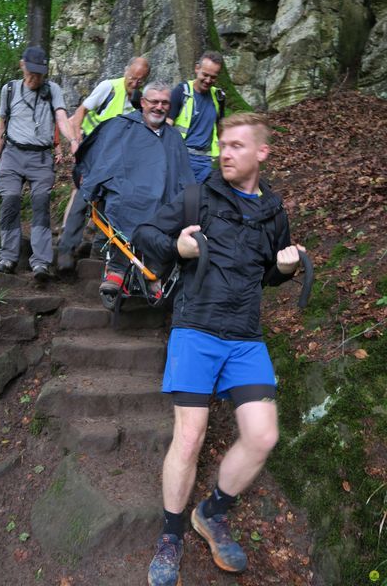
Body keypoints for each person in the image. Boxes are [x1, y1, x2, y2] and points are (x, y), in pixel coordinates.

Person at [132, 113, 304, 585]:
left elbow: (268, 272)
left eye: (235, 146)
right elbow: (143, 234)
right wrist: (177, 248)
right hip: (196, 330)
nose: (223, 153)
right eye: (221, 145)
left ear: (261, 153)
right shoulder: (198, 196)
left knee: (263, 436)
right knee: (189, 437)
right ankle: (170, 534)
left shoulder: (274, 211)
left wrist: (286, 269)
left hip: (246, 337)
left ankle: (211, 512)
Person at [75, 80, 195, 300]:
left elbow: (184, 174)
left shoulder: (174, 137)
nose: (159, 107)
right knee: (126, 206)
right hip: (128, 193)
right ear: (143, 102)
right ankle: (117, 270)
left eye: (165, 103)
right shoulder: (121, 126)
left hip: (163, 198)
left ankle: (156, 273)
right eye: (154, 101)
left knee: (173, 214)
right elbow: (104, 159)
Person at [0, 46, 76, 282]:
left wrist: (73, 140)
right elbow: (1, 126)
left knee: (40, 204)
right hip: (12, 155)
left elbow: (61, 117)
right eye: (31, 72)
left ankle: (41, 262)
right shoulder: (9, 90)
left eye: (39, 73)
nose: (34, 78)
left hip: (40, 157)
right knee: (10, 201)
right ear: (22, 66)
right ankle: (7, 257)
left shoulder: (53, 90)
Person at [57, 56, 151, 274]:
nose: (134, 82)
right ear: (126, 70)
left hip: (116, 160)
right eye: (132, 77)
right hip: (92, 151)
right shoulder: (108, 87)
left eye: (140, 80)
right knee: (83, 197)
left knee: (110, 201)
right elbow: (81, 111)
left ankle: (97, 249)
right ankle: (66, 249)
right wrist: (75, 142)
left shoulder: (138, 101)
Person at [168, 50, 225, 184]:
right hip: (181, 158)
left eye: (213, 77)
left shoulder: (219, 97)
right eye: (205, 75)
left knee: (201, 200)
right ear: (197, 68)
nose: (208, 80)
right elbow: (167, 123)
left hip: (207, 161)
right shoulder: (181, 91)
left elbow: (220, 128)